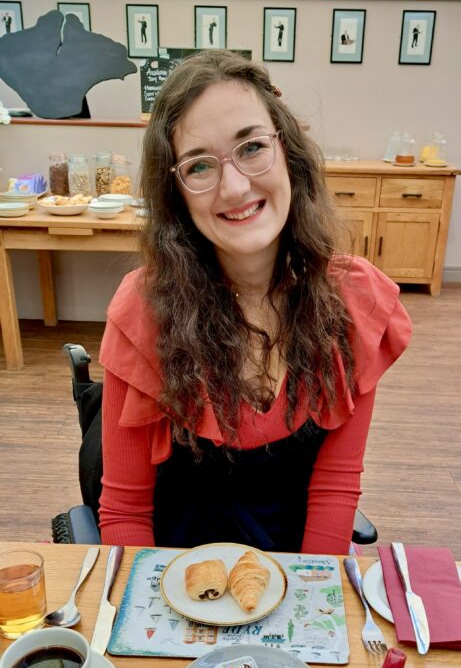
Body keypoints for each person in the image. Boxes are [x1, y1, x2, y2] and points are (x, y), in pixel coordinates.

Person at [99, 49, 411, 553]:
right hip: (171, 581)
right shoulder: (142, 312)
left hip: (295, 579)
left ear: (287, 151)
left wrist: (310, 608)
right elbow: (125, 512)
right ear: (176, 192)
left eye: (251, 148)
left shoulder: (354, 306)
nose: (235, 186)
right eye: (200, 165)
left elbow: (335, 491)